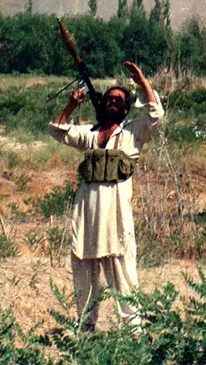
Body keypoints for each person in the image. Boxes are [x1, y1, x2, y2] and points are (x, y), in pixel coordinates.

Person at [49, 61, 164, 330]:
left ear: (126, 109)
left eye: (118, 100)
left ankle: (134, 334)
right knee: (84, 281)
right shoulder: (89, 135)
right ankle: (86, 335)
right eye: (109, 98)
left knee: (125, 280)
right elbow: (56, 129)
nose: (112, 102)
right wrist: (71, 105)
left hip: (116, 220)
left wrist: (142, 80)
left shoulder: (132, 133)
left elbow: (156, 114)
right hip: (87, 219)